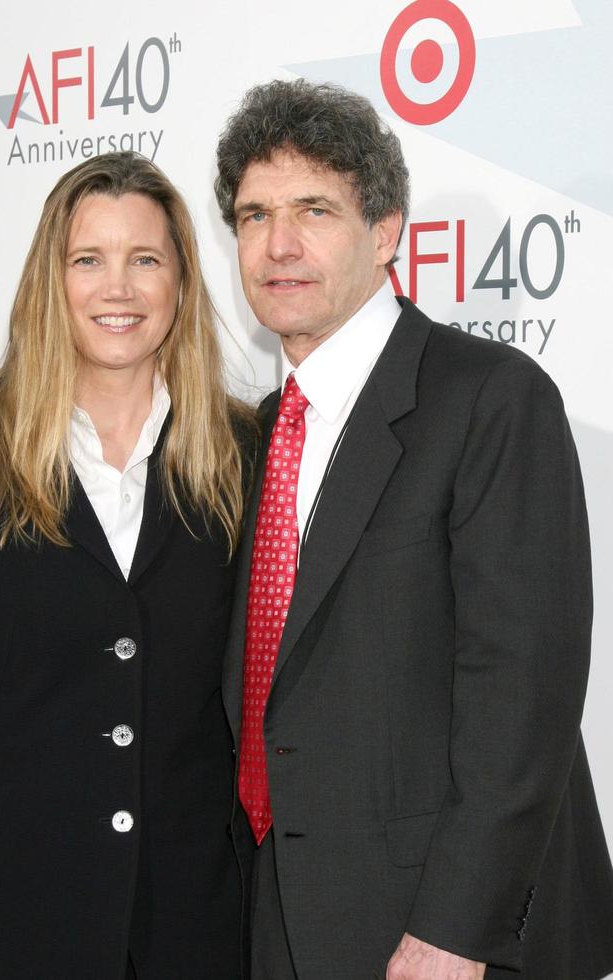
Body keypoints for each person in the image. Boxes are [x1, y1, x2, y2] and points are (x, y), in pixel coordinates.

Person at [214, 79, 613, 980]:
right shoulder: (255, 437)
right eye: (254, 215)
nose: (279, 244)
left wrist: (455, 932)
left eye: (314, 209)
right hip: (284, 919)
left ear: (386, 231)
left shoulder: (488, 399)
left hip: (441, 938)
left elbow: (524, 693)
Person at [0, 151, 255, 979]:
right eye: (88, 260)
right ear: (50, 279)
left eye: (146, 259)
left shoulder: (246, 456)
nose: (119, 288)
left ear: (181, 281)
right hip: (10, 941)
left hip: (202, 943)